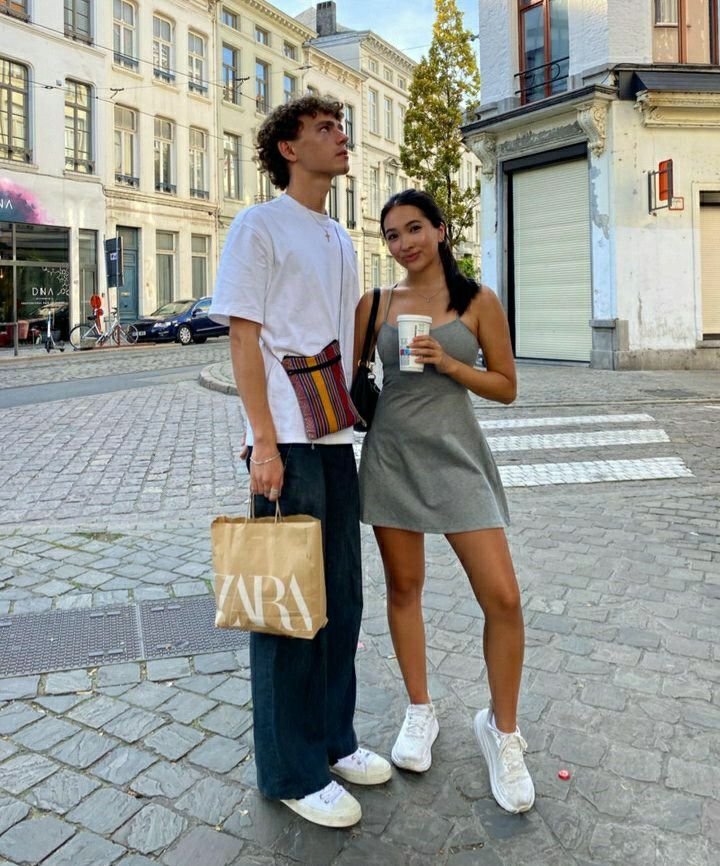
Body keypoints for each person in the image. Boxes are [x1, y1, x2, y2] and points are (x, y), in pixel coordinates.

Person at [210, 95, 391, 829]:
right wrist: (261, 440)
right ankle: (290, 768)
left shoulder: (339, 236)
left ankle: (334, 739)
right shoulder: (259, 226)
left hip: (335, 438)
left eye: (340, 128)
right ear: (288, 147)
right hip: (285, 442)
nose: (341, 139)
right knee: (288, 612)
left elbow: (347, 338)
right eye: (324, 129)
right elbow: (243, 337)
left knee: (341, 601)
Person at [354, 189, 535, 814]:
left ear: (440, 230)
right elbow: (352, 380)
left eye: (413, 229)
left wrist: (450, 364)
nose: (403, 243)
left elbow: (507, 388)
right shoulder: (375, 303)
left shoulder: (478, 301)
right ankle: (420, 710)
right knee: (404, 588)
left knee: (503, 596)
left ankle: (501, 730)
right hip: (393, 457)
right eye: (392, 235)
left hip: (457, 457)